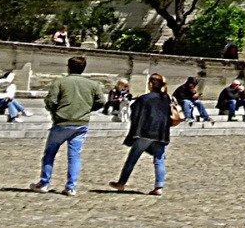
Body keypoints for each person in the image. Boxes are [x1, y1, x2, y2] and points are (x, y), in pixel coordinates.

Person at [35, 54, 103, 196]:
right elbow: (101, 102)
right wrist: (87, 109)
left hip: (62, 121)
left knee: (50, 153)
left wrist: (54, 111)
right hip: (81, 123)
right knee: (74, 156)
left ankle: (44, 183)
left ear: (69, 67)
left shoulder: (59, 82)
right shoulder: (93, 85)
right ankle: (71, 186)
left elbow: (51, 101)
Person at [112, 72, 175, 196]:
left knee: (132, 158)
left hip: (146, 132)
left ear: (150, 84)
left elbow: (134, 113)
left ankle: (122, 182)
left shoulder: (144, 98)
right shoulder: (166, 98)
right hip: (161, 133)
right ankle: (159, 187)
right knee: (159, 159)